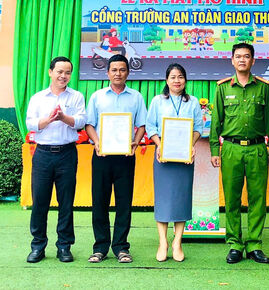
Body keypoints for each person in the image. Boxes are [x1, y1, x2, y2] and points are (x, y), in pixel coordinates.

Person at [210, 43, 269, 264]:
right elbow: (216, 122)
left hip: (258, 149)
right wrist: (214, 149)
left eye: (246, 56)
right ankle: (235, 244)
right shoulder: (223, 88)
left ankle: (255, 244)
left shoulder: (263, 88)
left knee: (258, 198)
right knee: (232, 198)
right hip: (230, 149)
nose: (242, 60)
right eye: (238, 56)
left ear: (253, 61)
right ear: (232, 60)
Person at [85, 54, 147, 263]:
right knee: (99, 201)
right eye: (114, 70)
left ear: (128, 72)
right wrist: (97, 143)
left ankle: (121, 247)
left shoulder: (136, 97)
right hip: (102, 156)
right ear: (107, 72)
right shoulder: (97, 96)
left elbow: (142, 125)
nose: (118, 73)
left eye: (122, 70)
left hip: (125, 156)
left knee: (124, 202)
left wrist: (136, 143)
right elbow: (89, 125)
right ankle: (100, 247)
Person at [25, 56, 86, 263]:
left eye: (67, 72)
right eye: (59, 71)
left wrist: (63, 118)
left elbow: (80, 121)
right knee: (40, 202)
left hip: (67, 154)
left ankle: (64, 246)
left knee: (66, 203)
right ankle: (37, 246)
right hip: (42, 154)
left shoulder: (76, 96)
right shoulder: (38, 98)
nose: (63, 76)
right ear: (50, 72)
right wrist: (48, 119)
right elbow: (30, 124)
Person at [145, 63, 203, 262]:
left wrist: (191, 144)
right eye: (173, 77)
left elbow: (198, 127)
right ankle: (163, 242)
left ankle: (178, 242)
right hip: (163, 156)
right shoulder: (157, 101)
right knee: (163, 199)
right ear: (166, 80)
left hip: (185, 158)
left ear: (185, 80)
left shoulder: (193, 102)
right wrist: (159, 145)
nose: (177, 80)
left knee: (181, 198)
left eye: (180, 77)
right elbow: (150, 126)